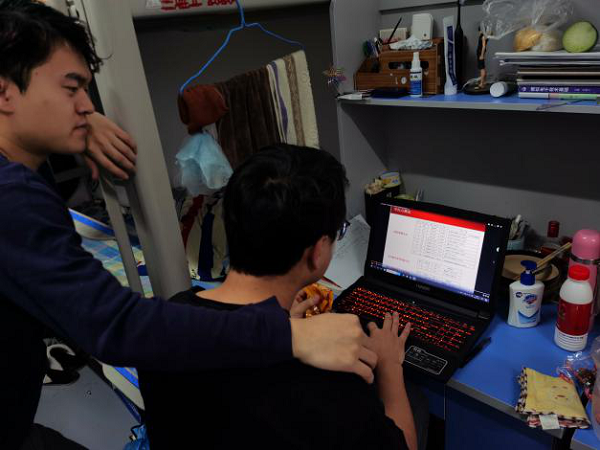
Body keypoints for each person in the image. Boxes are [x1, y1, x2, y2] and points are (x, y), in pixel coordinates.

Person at [0, 2, 375, 448]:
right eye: (71, 88)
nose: (87, 106)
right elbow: (119, 326)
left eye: (86, 89)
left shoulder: (24, 168)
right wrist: (290, 335)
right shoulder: (12, 196)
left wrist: (79, 123)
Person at [139, 145, 422, 450]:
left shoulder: (165, 323)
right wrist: (389, 366)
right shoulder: (334, 383)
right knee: (417, 402)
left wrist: (283, 325)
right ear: (317, 252)